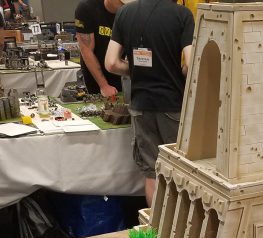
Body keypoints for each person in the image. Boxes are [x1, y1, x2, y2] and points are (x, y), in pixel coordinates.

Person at [104, 0, 194, 207]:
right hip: (173, 105)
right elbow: (191, 64)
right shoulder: (182, 15)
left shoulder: (124, 13)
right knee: (179, 171)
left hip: (141, 106)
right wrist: (176, 74)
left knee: (152, 173)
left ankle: (154, 225)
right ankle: (178, 226)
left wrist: (136, 71)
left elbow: (111, 63)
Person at [74, 0, 125, 98]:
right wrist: (104, 85)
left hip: (121, 71)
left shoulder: (130, 11)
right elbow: (86, 50)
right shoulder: (85, 8)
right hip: (96, 75)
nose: (124, 5)